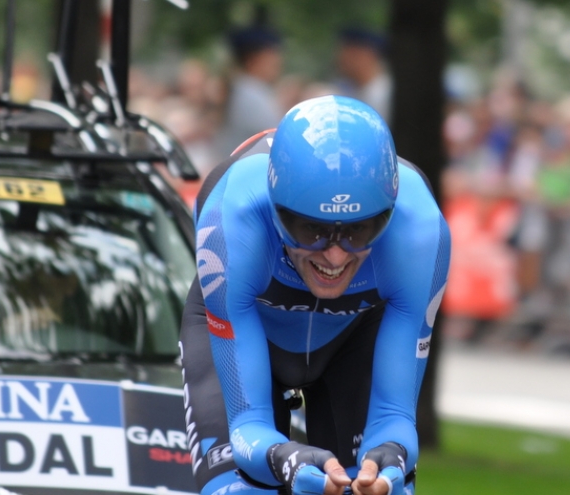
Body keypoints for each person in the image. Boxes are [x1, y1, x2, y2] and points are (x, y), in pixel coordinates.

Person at [180, 95, 451, 495]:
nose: (336, 254)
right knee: (240, 490)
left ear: (389, 212)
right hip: (249, 323)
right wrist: (284, 458)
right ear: (274, 211)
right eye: (311, 229)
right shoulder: (231, 222)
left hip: (354, 334)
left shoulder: (421, 230)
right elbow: (248, 425)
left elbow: (395, 415)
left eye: (360, 229)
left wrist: (391, 457)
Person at [214, 25, 285, 162]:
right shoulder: (251, 94)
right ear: (253, 59)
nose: (279, 61)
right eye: (272, 54)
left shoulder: (241, 88)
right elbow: (280, 139)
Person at [335, 27, 393, 124]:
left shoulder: (385, 94)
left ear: (367, 55)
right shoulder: (350, 87)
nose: (340, 57)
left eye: (348, 51)